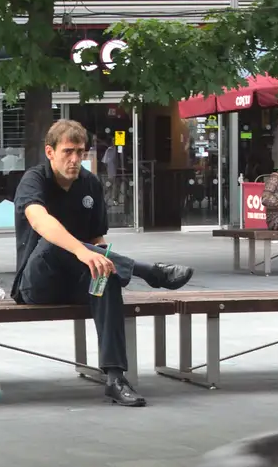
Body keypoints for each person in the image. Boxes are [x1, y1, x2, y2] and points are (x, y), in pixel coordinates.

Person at [12, 119, 193, 407]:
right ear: (50, 152)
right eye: (68, 152)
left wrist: (105, 261)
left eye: (80, 152)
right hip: (38, 283)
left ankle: (115, 378)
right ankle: (148, 271)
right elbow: (40, 220)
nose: (75, 160)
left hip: (77, 281)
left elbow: (97, 238)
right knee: (52, 240)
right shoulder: (34, 179)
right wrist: (81, 252)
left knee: (105, 279)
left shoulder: (90, 183)